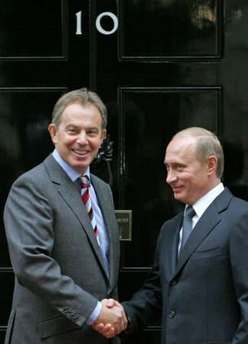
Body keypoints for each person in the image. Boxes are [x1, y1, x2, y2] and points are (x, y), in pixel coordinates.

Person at [95, 127, 248, 343]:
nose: (169, 178)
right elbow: (157, 292)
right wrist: (125, 315)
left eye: (179, 167)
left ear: (210, 165)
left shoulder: (241, 218)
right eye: (167, 168)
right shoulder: (170, 228)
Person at [3, 88, 127, 344]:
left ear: (103, 137)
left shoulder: (102, 190)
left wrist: (110, 314)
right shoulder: (32, 186)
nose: (83, 140)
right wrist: (94, 312)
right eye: (73, 130)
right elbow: (32, 265)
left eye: (92, 132)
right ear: (53, 133)